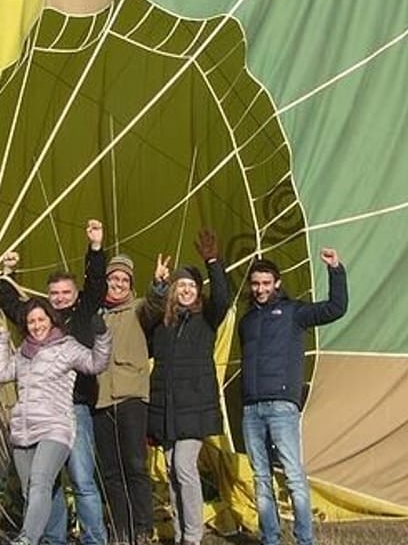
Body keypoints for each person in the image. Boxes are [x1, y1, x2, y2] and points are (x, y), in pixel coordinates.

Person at [0, 220, 108, 545]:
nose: (59, 298)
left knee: (82, 479)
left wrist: (95, 248)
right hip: (37, 412)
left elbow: (96, 285)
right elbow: (13, 305)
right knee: (46, 483)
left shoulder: (82, 313)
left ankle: (94, 539)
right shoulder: (36, 325)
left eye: (65, 292)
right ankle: (52, 538)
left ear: (75, 294)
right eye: (53, 293)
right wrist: (7, 274)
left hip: (75, 408)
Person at [238, 248, 348, 545]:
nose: (260, 289)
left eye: (265, 283)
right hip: (251, 408)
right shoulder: (246, 321)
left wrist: (335, 270)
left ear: (277, 283)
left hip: (282, 406)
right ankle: (270, 538)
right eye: (255, 283)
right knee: (260, 479)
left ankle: (304, 540)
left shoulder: (294, 312)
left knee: (292, 475)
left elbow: (336, 308)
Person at [142, 229, 231, 545]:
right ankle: (181, 533)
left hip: (193, 408)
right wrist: (156, 286)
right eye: (181, 286)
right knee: (171, 470)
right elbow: (145, 317)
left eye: (191, 286)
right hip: (167, 409)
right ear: (173, 291)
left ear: (198, 291)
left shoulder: (207, 318)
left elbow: (222, 296)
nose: (186, 290)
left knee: (183, 466)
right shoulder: (164, 325)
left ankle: (193, 535)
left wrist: (212, 261)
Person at [93, 233, 155, 545]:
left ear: (130, 283)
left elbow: (157, 307)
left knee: (135, 464)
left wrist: (158, 285)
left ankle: (143, 528)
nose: (117, 284)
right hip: (102, 399)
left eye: (123, 279)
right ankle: (121, 529)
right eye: (112, 278)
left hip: (131, 397)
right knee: (110, 471)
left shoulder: (140, 308)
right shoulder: (96, 313)